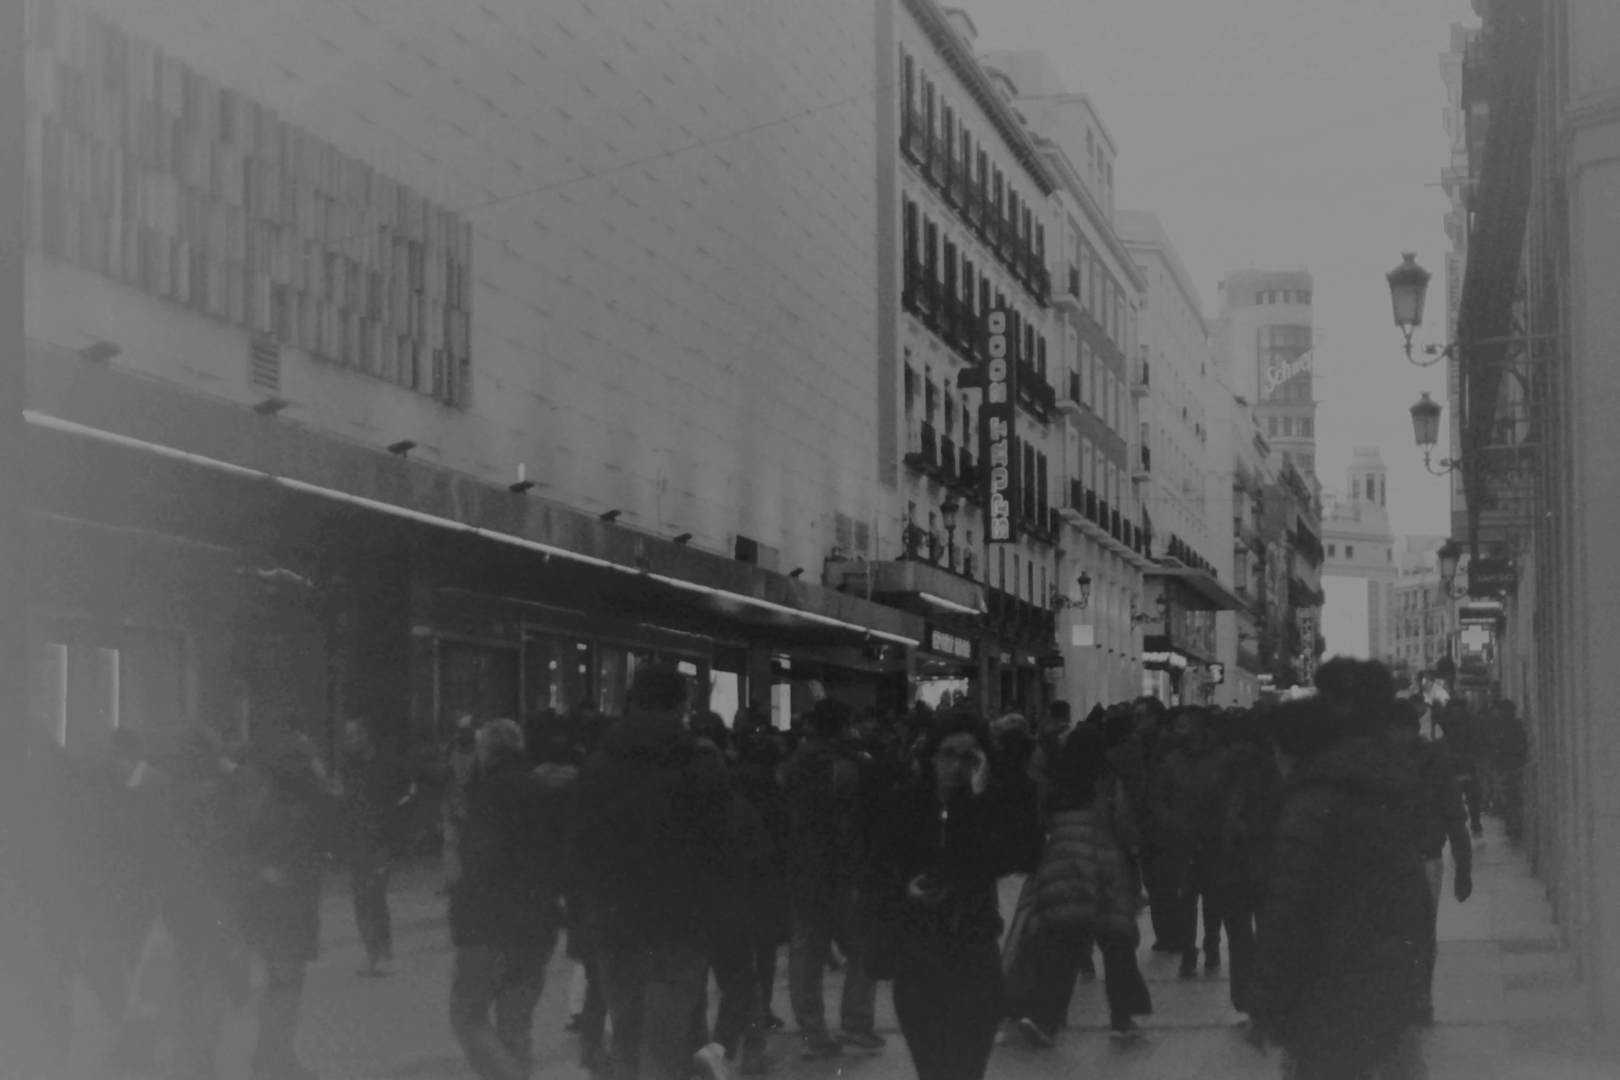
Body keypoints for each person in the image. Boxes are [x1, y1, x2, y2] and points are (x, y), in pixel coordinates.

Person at [1248, 662, 1432, 1080]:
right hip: (1383, 979)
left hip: (1327, 988)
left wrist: (1265, 1004)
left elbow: (1287, 911)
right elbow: (1412, 894)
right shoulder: (1379, 786)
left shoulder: (1312, 804)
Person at [570, 667, 744, 1080]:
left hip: (616, 925)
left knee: (628, 1041)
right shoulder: (703, 768)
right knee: (666, 1046)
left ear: (630, 703)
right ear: (682, 706)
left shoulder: (597, 767)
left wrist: (585, 920)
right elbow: (723, 851)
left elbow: (579, 852)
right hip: (680, 929)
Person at [867, 713, 1038, 1080]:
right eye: (949, 753)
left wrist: (980, 796)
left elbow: (1019, 855)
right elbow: (875, 871)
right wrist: (906, 892)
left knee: (967, 1068)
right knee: (932, 1068)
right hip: (918, 956)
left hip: (973, 953)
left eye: (969, 756)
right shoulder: (907, 805)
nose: (957, 764)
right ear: (931, 755)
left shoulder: (988, 805)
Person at [449, 718, 576, 1080]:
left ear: (486, 751)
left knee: (467, 1017)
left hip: (490, 923)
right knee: (516, 1027)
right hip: (539, 923)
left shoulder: (489, 794)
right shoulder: (546, 792)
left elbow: (480, 859)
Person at [1014, 724, 1152, 1045]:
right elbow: (1125, 826)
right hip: (1104, 871)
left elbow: (1039, 823)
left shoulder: (1055, 784)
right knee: (1117, 946)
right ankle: (1122, 1020)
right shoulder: (1107, 783)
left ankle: (1044, 1019)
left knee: (1063, 946)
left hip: (1062, 867)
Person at [781, 699, 882, 1059]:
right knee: (863, 948)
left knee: (806, 954)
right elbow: (853, 823)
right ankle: (855, 1022)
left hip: (802, 869)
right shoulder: (852, 766)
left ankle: (813, 1031)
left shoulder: (793, 764)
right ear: (845, 727)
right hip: (842, 871)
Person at [240, 733, 338, 1080]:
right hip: (291, 912)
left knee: (278, 987)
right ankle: (274, 1059)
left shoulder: (265, 803)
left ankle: (272, 1056)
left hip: (272, 911)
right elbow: (329, 837)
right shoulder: (301, 810)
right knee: (287, 987)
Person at [1392, 699, 1473, 1025]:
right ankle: (1403, 995)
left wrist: (1463, 868)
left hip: (1425, 858)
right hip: (1388, 861)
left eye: (1400, 728)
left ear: (1413, 728)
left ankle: (1420, 997)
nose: (1395, 734)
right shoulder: (1375, 763)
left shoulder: (1433, 762)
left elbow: (1454, 814)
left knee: (1422, 932)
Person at [1149, 706, 1229, 977]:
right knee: (1185, 897)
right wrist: (1170, 821)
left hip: (1213, 838)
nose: (1177, 731)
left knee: (1213, 897)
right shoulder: (1173, 760)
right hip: (1181, 839)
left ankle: (1212, 944)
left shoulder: (1222, 759)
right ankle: (1187, 950)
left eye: (1183, 726)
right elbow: (1159, 796)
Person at [338, 718, 414, 978]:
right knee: (360, 898)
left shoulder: (386, 763)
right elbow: (347, 800)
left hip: (380, 839)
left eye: (355, 736)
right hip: (356, 840)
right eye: (347, 738)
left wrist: (393, 826)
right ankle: (372, 954)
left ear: (366, 735)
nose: (351, 742)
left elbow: (404, 795)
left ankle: (385, 954)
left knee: (375, 896)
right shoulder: (347, 766)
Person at [1218, 710, 1281, 1023]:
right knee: (1249, 933)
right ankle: (1251, 996)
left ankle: (1252, 995)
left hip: (1249, 862)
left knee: (1249, 934)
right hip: (1247, 863)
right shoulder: (1264, 769)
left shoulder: (1264, 771)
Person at [440, 713, 482, 891]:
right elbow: (444, 773)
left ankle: (471, 882)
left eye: (465, 730)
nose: (461, 734)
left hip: (471, 806)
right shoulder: (451, 747)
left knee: (470, 847)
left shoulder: (481, 750)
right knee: (450, 845)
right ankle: (452, 882)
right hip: (452, 804)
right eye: (459, 730)